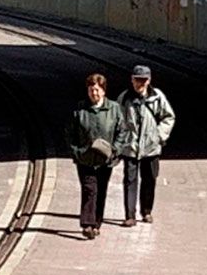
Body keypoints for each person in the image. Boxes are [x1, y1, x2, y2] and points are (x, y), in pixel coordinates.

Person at [65, 73, 128, 240]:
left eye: (97, 90)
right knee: (89, 189)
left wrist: (115, 150)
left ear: (104, 91)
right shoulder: (79, 109)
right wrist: (76, 152)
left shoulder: (114, 109)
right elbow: (70, 133)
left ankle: (96, 223)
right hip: (85, 159)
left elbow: (122, 131)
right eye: (91, 90)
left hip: (105, 159)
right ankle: (87, 224)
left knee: (101, 191)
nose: (94, 94)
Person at [117, 65, 175, 227]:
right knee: (130, 180)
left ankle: (146, 211)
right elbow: (117, 120)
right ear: (132, 79)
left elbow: (168, 117)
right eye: (137, 80)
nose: (140, 83)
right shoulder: (124, 98)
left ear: (149, 81)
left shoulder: (157, 97)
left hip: (151, 147)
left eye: (143, 80)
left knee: (149, 179)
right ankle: (130, 215)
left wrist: (159, 136)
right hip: (131, 147)